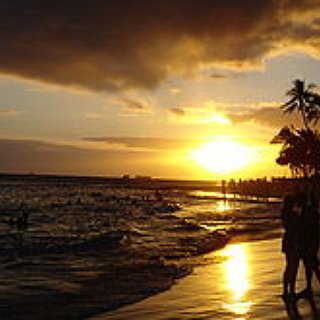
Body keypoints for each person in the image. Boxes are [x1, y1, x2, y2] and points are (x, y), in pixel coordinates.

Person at [281, 193, 301, 299]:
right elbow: (296, 228)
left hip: (287, 239)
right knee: (294, 266)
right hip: (293, 240)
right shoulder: (293, 214)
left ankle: (286, 290)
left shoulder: (284, 213)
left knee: (289, 265)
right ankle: (291, 290)